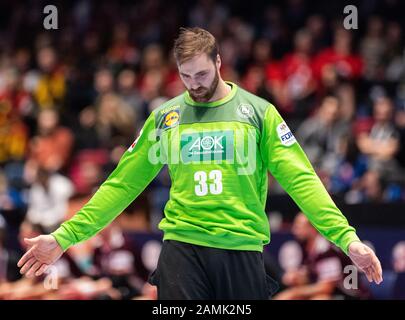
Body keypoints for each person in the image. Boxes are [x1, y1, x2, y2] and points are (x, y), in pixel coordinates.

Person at [17, 27, 383, 300]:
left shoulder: (258, 113)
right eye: (186, 76)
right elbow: (122, 185)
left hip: (240, 247)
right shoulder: (166, 117)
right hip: (182, 247)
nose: (194, 84)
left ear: (219, 62)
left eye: (202, 74)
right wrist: (65, 237)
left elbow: (302, 180)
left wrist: (346, 238)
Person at [274, 213, 371, 300]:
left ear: (312, 228)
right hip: (330, 294)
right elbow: (310, 280)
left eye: (298, 227)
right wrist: (298, 278)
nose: (294, 230)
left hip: (350, 295)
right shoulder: (305, 248)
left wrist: (294, 293)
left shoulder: (327, 249)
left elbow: (326, 288)